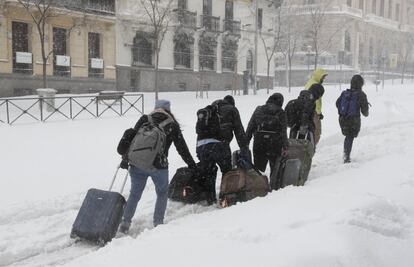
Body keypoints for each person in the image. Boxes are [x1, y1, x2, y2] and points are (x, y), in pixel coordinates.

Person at [119, 99, 196, 233]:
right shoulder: (171, 124)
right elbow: (181, 148)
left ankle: (125, 222)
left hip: (137, 164)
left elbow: (132, 139)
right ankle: (158, 223)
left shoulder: (145, 119)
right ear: (168, 110)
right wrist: (191, 164)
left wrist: (125, 158)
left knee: (134, 195)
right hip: (159, 166)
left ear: (155, 108)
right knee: (162, 193)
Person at [196, 95, 249, 205]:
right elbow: (239, 131)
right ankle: (225, 197)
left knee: (209, 172)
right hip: (220, 145)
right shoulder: (232, 109)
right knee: (227, 171)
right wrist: (244, 148)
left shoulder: (210, 109)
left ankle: (210, 199)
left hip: (201, 145)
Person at [246, 93, 288, 176]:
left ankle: (258, 184)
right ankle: (274, 185)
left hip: (259, 142)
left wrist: (245, 143)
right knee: (275, 167)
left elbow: (250, 127)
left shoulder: (259, 109)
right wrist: (285, 147)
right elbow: (283, 131)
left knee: (258, 168)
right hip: (275, 143)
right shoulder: (281, 113)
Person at [336, 74, 369, 163]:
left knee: (348, 137)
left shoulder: (344, 93)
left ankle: (346, 155)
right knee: (350, 137)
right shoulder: (361, 94)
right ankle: (346, 157)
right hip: (353, 120)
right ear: (361, 84)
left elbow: (337, 103)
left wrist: (344, 111)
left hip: (342, 119)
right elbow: (365, 112)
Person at [287, 84, 325, 149]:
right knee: (309, 147)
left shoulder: (301, 97)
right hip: (305, 128)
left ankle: (294, 156)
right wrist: (304, 127)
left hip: (294, 127)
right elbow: (306, 114)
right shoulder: (310, 100)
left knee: (292, 146)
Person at [305, 68, 328, 145]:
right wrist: (318, 112)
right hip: (314, 111)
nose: (324, 79)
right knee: (316, 131)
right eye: (323, 77)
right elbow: (316, 101)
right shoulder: (315, 85)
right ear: (319, 76)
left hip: (308, 109)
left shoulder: (310, 82)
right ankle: (312, 146)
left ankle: (309, 144)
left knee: (310, 130)